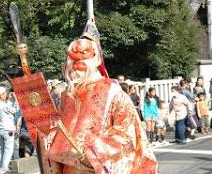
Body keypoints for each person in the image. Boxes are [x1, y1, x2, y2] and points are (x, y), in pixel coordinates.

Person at [40, 23, 157, 173]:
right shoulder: (66, 95)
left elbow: (127, 131)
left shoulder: (112, 91)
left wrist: (93, 154)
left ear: (95, 60)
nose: (77, 65)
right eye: (73, 60)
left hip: (98, 167)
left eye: (83, 56)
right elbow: (56, 131)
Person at [0, 87, 16, 174]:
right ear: (0, 95)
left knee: (0, 149)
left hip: (1, 129)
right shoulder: (3, 105)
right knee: (8, 150)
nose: (6, 95)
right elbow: (14, 110)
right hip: (8, 129)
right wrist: (15, 100)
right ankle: (3, 169)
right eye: (4, 93)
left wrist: (8, 100)